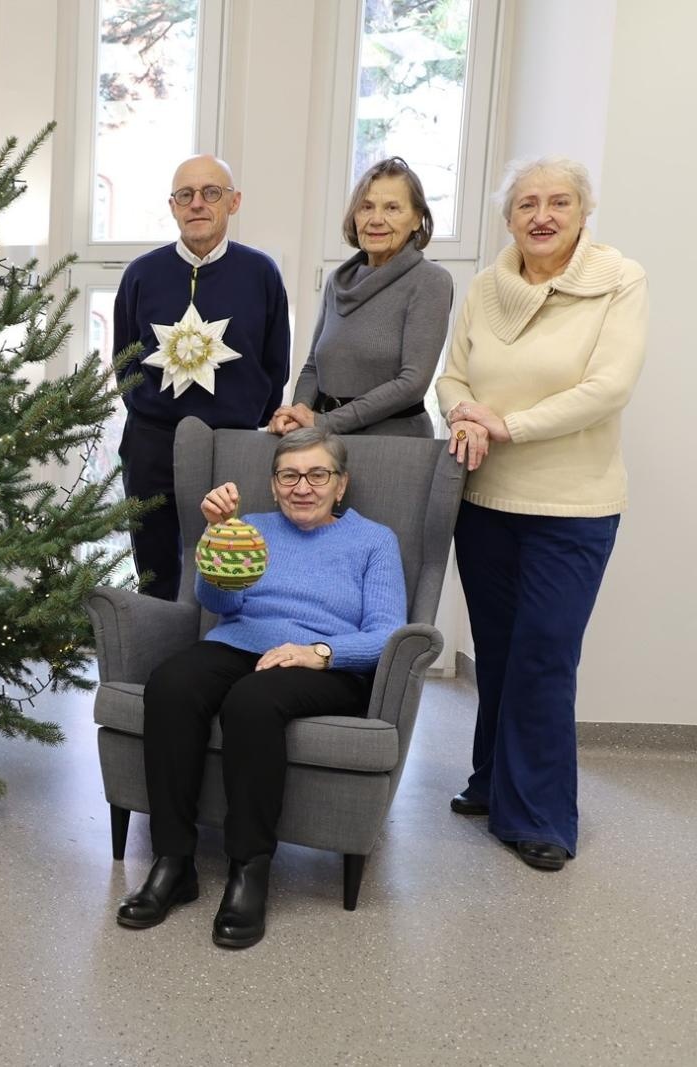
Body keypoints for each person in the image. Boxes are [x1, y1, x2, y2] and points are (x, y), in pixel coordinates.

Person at [435, 157, 648, 872]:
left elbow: (608, 386)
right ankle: (492, 782)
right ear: (509, 218)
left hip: (573, 506)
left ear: (584, 211)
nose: (542, 215)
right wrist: (463, 413)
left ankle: (544, 817)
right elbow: (453, 373)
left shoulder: (619, 280)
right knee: (498, 652)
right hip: (485, 500)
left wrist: (506, 425)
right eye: (527, 203)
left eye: (559, 201)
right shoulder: (485, 288)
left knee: (545, 656)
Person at [116, 428, 406, 949]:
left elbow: (388, 631)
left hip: (324, 665)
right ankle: (173, 862)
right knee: (171, 685)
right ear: (273, 486)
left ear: (341, 485)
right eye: (289, 475)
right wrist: (215, 536)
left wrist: (318, 653)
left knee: (251, 702)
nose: (303, 487)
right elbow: (218, 605)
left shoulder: (374, 540)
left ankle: (249, 869)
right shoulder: (249, 526)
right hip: (239, 642)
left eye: (318, 475)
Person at [113, 154, 291, 600]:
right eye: (185, 195)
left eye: (211, 193)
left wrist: (255, 422)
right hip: (152, 442)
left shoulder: (261, 273)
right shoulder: (141, 274)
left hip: (233, 442)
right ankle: (154, 662)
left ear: (233, 203)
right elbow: (124, 358)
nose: (197, 204)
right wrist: (148, 411)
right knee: (155, 568)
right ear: (172, 206)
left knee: (229, 564)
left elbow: (276, 362)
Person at [271, 157, 454, 438]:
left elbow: (412, 383)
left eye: (392, 208)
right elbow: (312, 367)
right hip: (326, 444)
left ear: (417, 218)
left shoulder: (430, 281)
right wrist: (298, 414)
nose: (376, 219)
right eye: (366, 207)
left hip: (393, 445)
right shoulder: (337, 281)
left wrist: (326, 423)